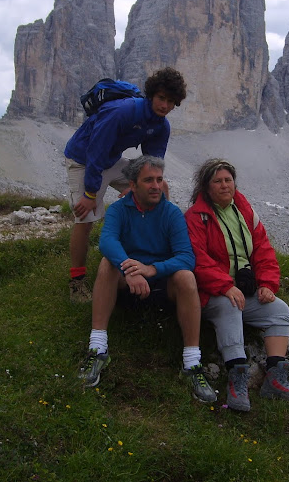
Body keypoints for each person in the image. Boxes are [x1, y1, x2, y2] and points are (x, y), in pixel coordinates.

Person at [77, 155, 217, 404]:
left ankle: (192, 363)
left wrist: (151, 269)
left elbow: (186, 257)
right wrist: (131, 271)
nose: (156, 186)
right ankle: (97, 349)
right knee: (107, 264)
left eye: (160, 179)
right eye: (149, 180)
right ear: (132, 185)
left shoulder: (171, 213)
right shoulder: (119, 209)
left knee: (186, 277)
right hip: (128, 281)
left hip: (161, 282)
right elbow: (107, 241)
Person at [184, 159, 289, 412]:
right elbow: (197, 259)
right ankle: (236, 379)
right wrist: (226, 286)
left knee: (279, 310)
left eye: (228, 180)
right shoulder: (196, 218)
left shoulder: (244, 211)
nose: (224, 185)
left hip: (245, 291)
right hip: (211, 294)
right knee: (230, 306)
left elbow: (263, 250)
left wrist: (268, 285)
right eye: (217, 181)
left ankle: (275, 379)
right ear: (206, 187)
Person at [64, 67, 187, 296]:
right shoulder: (122, 112)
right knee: (86, 217)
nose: (165, 106)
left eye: (171, 101)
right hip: (83, 159)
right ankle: (77, 281)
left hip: (111, 159)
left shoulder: (161, 125)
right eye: (161, 98)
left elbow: (153, 165)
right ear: (151, 95)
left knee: (160, 189)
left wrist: (139, 185)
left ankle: (157, 254)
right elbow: (95, 152)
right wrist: (90, 195)